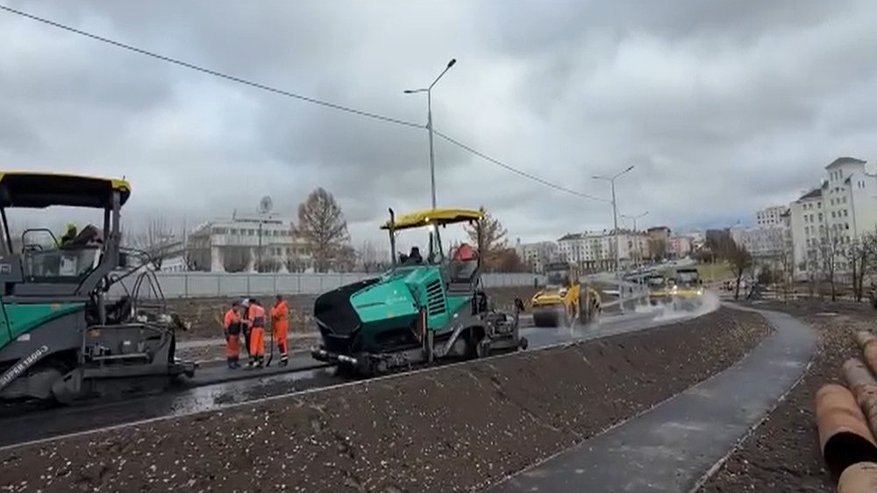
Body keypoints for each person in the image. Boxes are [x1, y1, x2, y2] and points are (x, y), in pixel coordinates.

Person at [245, 298, 267, 368]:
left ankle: (251, 362)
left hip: (255, 328)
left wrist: (248, 328)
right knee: (260, 345)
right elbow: (264, 320)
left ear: (250, 303)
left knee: (253, 344)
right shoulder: (261, 308)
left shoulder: (252, 308)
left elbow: (251, 319)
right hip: (261, 328)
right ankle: (261, 361)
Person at [271, 295, 290, 367]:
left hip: (281, 325)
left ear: (278, 299)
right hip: (281, 324)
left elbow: (274, 314)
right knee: (282, 341)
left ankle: (284, 359)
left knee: (280, 341)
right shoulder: (283, 306)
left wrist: (273, 309)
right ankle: (284, 358)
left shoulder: (281, 306)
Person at [223, 301, 243, 369]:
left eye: (238, 307)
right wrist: (227, 334)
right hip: (231, 334)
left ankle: (236, 361)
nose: (237, 308)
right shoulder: (229, 314)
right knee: (231, 349)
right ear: (233, 306)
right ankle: (231, 362)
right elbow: (226, 325)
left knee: (236, 349)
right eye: (236, 306)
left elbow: (239, 322)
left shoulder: (238, 313)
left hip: (236, 333)